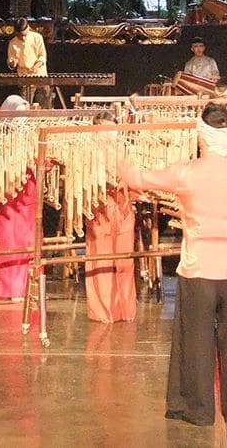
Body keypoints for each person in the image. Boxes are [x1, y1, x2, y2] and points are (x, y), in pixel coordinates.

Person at [118, 103, 227, 426]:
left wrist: (116, 150)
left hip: (198, 270)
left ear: (201, 136)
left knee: (196, 344)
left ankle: (195, 408)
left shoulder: (185, 171)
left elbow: (138, 178)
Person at [84, 112, 138, 322]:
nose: (109, 135)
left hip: (123, 208)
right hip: (100, 209)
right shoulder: (88, 153)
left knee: (125, 260)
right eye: (105, 130)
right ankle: (104, 311)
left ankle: (126, 309)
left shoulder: (124, 151)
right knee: (101, 259)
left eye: (112, 130)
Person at [0, 95, 36, 300]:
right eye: (18, 116)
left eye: (24, 116)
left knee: (30, 242)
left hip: (30, 198)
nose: (22, 121)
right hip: (10, 198)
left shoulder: (33, 139)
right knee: (10, 242)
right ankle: (11, 288)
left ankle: (30, 286)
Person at [7, 18, 50, 108]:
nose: (22, 37)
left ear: (28, 28)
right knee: (24, 106)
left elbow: (42, 56)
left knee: (44, 104)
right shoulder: (13, 43)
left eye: (24, 35)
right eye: (19, 35)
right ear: (15, 32)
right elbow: (11, 62)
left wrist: (36, 66)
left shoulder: (37, 37)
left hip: (40, 74)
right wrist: (13, 63)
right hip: (24, 76)